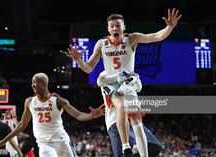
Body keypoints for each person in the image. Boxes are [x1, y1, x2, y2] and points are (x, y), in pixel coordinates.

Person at [67, 8, 181, 157]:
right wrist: (79, 60)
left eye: (118, 25)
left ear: (124, 27)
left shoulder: (132, 38)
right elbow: (88, 68)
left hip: (127, 83)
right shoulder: (101, 44)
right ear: (108, 29)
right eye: (112, 26)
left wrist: (169, 27)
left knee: (136, 118)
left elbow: (156, 36)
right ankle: (126, 147)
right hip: (110, 82)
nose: (115, 28)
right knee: (120, 103)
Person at [0, 72, 105, 157]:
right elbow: (22, 124)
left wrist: (91, 116)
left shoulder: (58, 100)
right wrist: (4, 140)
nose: (32, 85)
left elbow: (78, 115)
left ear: (43, 84)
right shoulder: (29, 102)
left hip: (61, 140)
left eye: (34, 83)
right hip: (44, 144)